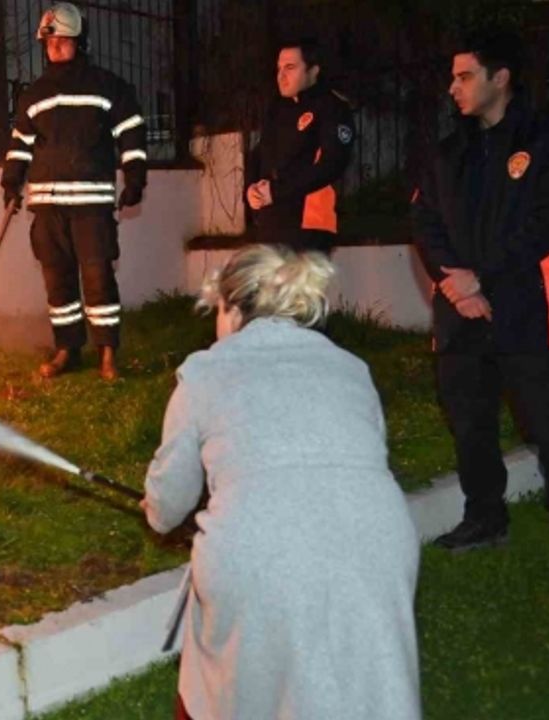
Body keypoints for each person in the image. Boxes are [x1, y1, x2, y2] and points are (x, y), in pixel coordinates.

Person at [142, 245, 420, 720]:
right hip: (379, 543)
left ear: (230, 309)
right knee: (360, 678)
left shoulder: (205, 372)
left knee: (224, 681)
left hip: (258, 552)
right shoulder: (352, 369)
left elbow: (167, 507)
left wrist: (158, 505)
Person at [411, 28, 549, 582]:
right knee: (470, 423)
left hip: (528, 311)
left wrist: (482, 280)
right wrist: (452, 283)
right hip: (461, 313)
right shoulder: (452, 152)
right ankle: (484, 518)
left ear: (501, 78)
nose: (453, 88)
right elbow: (424, 220)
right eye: (452, 77)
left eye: (465, 75)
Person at [0, 2, 148, 381]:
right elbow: (20, 142)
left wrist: (135, 178)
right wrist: (10, 181)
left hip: (90, 208)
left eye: (63, 41)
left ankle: (107, 353)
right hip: (48, 209)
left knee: (98, 278)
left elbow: (130, 130)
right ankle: (68, 349)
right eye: (49, 42)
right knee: (58, 281)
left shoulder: (107, 87)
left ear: (80, 41)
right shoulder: (34, 94)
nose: (55, 48)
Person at [245, 38, 355, 253]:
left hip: (308, 225)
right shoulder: (277, 108)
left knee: (299, 286)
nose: (281, 76)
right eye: (278, 68)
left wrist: (277, 191)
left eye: (290, 67)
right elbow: (259, 154)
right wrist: (250, 190)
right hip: (271, 221)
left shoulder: (331, 107)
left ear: (313, 71)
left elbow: (331, 165)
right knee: (267, 286)